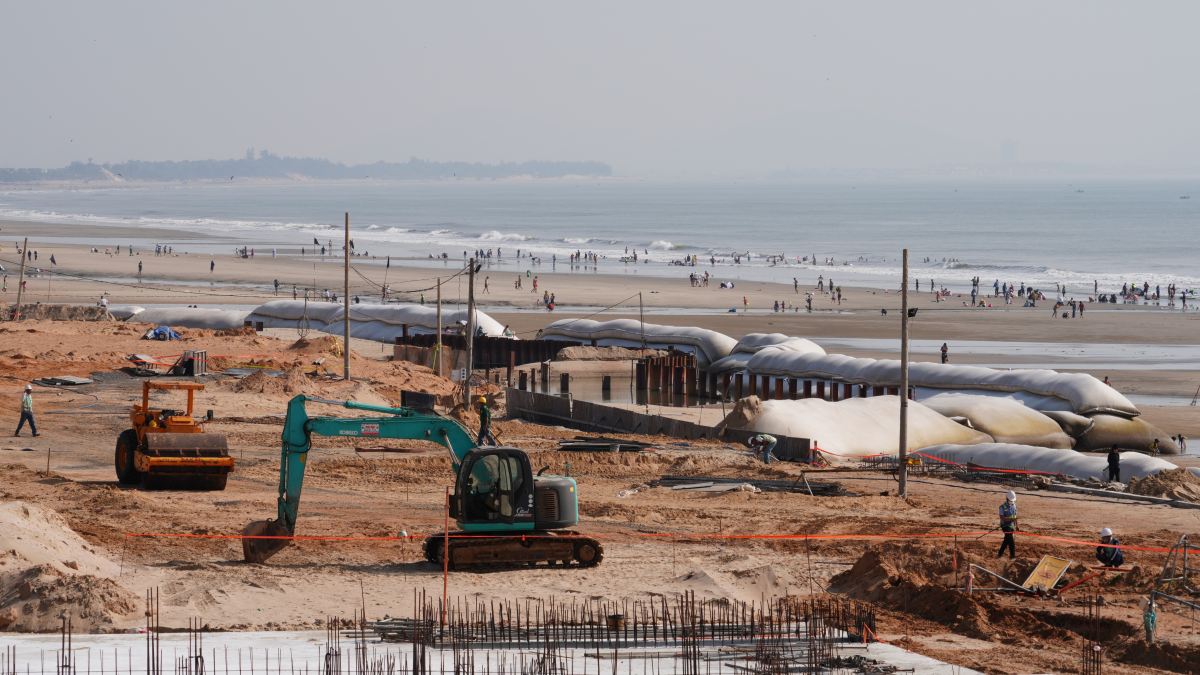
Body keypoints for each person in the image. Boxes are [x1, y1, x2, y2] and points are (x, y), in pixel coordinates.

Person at [997, 491, 1018, 559]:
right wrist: (1010, 519)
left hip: (1011, 525)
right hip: (1005, 526)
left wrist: (1016, 526)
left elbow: (1015, 516)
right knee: (1011, 541)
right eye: (1010, 500)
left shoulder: (1014, 505)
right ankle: (1012, 556)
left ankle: (1000, 554)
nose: (1012, 502)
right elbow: (1002, 518)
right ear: (1007, 498)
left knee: (1006, 540)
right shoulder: (1002, 507)